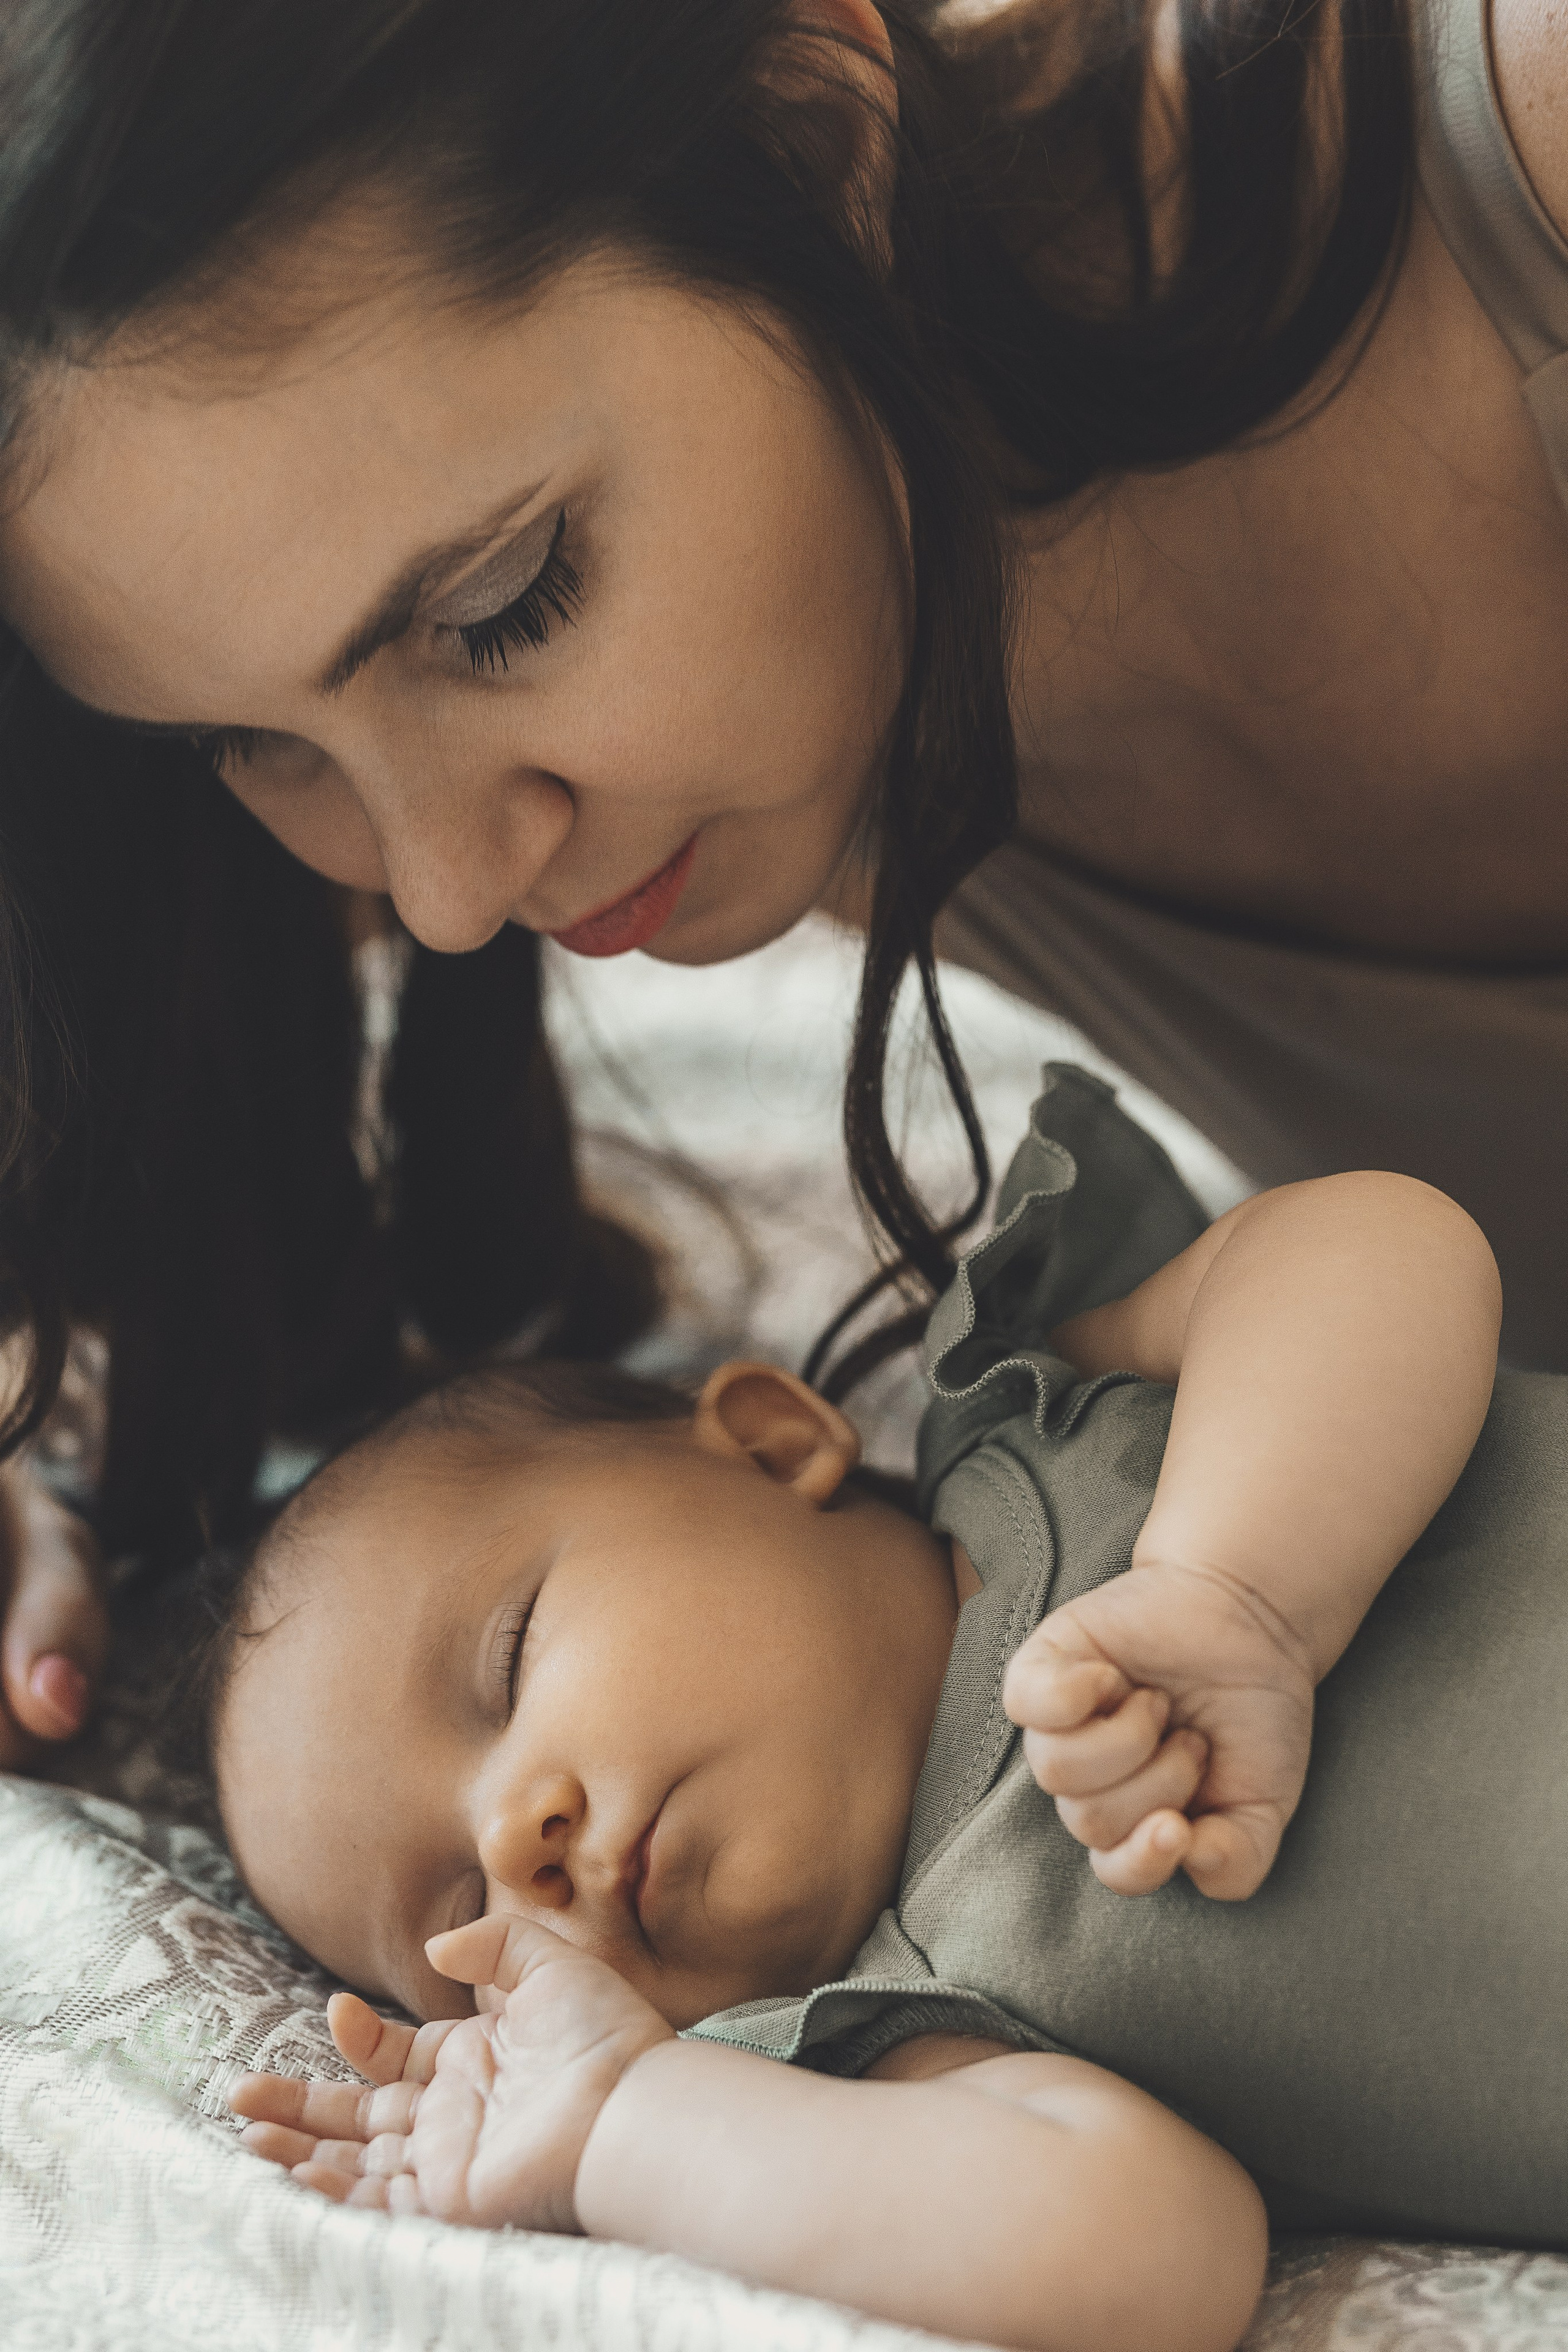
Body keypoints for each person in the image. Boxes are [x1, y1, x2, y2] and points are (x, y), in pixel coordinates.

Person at [0, 0, 1561, 1763]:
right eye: (245, 743)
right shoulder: (756, 720)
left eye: (504, 604)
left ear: (818, 138)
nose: (443, 890)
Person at [200, 1069, 1544, 2347]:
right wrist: (619, 2121)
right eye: (454, 1920)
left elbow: (1381, 1242)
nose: (513, 1839)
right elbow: (1143, 2270)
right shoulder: (903, 2043)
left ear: (775, 1442)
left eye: (509, 1658)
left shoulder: (1045, 1418)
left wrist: (1233, 1585)